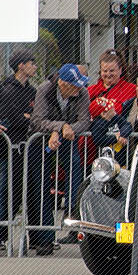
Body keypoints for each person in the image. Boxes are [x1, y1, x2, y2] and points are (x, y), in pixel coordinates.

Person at [32, 65, 90, 253]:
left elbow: (85, 120)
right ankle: (45, 238)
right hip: (40, 139)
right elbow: (37, 120)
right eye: (74, 85)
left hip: (67, 137)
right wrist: (59, 127)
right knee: (40, 184)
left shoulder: (82, 93)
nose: (78, 88)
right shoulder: (45, 89)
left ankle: (73, 214)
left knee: (74, 169)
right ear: (62, 83)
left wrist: (68, 129)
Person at [0, 50, 37, 228]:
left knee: (19, 193)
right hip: (5, 151)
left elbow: (35, 117)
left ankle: (6, 233)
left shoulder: (32, 91)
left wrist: (27, 117)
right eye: (31, 63)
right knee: (1, 193)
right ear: (21, 65)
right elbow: (7, 118)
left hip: (23, 150)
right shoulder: (7, 90)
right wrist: (25, 118)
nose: (35, 67)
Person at [88, 52, 137, 153]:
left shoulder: (131, 89)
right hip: (90, 145)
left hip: (119, 146)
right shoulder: (90, 90)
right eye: (105, 71)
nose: (108, 74)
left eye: (112, 70)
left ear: (120, 70)